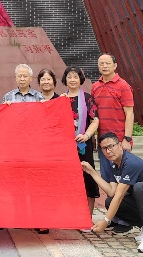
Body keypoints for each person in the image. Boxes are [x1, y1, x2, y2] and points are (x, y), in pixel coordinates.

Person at [82, 132, 143, 253]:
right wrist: (92, 172)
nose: (108, 151)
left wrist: (106, 221)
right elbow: (112, 192)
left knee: (140, 187)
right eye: (104, 148)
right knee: (109, 201)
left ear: (120, 145)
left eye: (111, 146)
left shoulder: (131, 163)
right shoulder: (114, 164)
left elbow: (119, 195)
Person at [61, 66, 100, 225]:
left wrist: (86, 136)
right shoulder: (61, 99)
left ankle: (87, 219)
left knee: (87, 178)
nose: (72, 80)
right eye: (69, 77)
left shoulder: (87, 98)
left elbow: (95, 120)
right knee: (67, 181)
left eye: (75, 77)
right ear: (65, 80)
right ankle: (71, 217)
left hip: (83, 146)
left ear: (80, 79)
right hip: (65, 148)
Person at [90, 54, 135, 187]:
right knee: (107, 178)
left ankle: (123, 201)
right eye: (101, 64)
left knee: (123, 180)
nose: (104, 66)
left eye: (107, 63)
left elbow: (129, 114)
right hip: (103, 141)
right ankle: (111, 201)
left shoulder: (123, 86)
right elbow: (93, 114)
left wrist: (127, 139)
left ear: (115, 66)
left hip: (119, 141)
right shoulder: (95, 86)